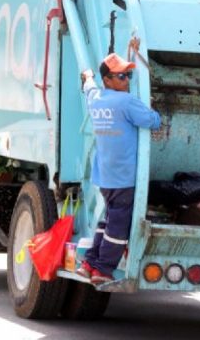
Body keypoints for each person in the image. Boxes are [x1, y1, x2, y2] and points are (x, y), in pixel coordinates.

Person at [76, 53, 161, 284]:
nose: (127, 80)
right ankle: (102, 269)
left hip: (105, 177)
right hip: (124, 178)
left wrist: (88, 77)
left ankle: (89, 263)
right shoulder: (126, 102)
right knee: (118, 228)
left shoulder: (96, 99)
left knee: (108, 220)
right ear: (108, 80)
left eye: (129, 75)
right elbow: (153, 121)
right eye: (121, 76)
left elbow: (89, 87)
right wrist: (155, 110)